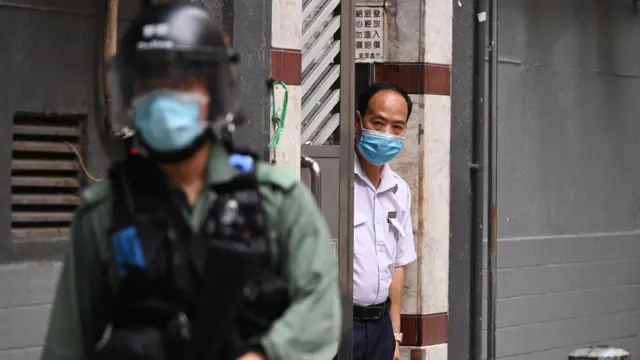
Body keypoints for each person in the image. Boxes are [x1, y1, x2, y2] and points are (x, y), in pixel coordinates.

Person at [40, 3, 341, 360]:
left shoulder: (275, 199)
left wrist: (266, 354)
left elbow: (321, 309)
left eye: (183, 84)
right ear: (131, 97)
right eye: (150, 85)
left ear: (213, 95)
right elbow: (66, 343)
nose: (165, 100)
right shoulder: (105, 212)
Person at [352, 83, 417, 360]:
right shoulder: (332, 183)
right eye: (377, 123)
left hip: (381, 329)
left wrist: (395, 335)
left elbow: (398, 264)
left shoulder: (399, 190)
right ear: (358, 121)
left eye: (397, 127)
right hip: (338, 326)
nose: (387, 134)